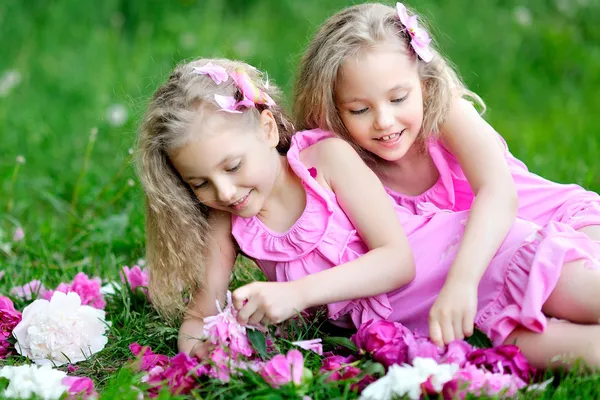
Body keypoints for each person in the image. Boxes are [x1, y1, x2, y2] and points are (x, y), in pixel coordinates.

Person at [137, 58, 600, 370]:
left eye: (232, 166)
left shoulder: (323, 161)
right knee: (573, 352)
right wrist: (200, 351)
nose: (223, 190)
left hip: (481, 257)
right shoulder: (230, 220)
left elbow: (398, 260)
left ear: (266, 127)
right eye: (199, 183)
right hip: (445, 321)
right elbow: (201, 314)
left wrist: (297, 293)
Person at [293, 2, 600, 347]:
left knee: (583, 289)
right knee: (544, 333)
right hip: (497, 266)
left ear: (424, 85)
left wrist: (461, 283)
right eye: (360, 109)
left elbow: (498, 193)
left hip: (557, 222)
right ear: (333, 108)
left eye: (398, 98)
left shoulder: (446, 113)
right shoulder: (345, 164)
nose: (384, 121)